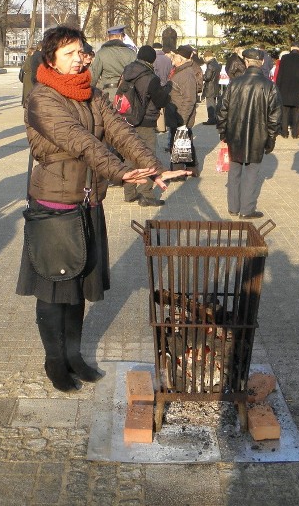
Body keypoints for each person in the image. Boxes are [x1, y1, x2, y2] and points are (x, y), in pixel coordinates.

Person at [16, 25, 187, 393]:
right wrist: (123, 173)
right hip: (55, 204)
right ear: (51, 59)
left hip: (87, 199)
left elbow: (120, 131)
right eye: (69, 53)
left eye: (81, 51)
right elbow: (82, 143)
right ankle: (54, 361)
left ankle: (74, 355)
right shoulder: (42, 98)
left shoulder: (89, 93)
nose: (79, 58)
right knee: (54, 286)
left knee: (77, 284)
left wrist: (151, 168)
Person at [217, 48, 281, 219]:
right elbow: (275, 117)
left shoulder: (235, 83)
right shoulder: (269, 86)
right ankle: (247, 209)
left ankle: (233, 207)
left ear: (246, 62)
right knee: (252, 173)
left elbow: (222, 111)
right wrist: (271, 138)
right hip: (258, 136)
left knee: (235, 171)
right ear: (261, 63)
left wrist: (223, 133)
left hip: (235, 134)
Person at [120, 46, 171, 207]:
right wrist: (167, 90)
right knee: (147, 157)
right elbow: (160, 101)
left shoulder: (127, 72)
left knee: (130, 155)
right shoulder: (150, 77)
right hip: (145, 121)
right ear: (152, 59)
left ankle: (129, 192)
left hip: (126, 119)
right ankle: (146, 194)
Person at [166, 44, 201, 174]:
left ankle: (178, 172)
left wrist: (183, 121)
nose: (172, 59)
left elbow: (189, 99)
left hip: (180, 116)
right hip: (177, 114)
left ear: (180, 59)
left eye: (174, 56)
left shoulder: (186, 74)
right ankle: (192, 168)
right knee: (186, 141)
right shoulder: (180, 71)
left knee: (178, 144)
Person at [90, 25, 135, 101]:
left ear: (108, 38)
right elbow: (135, 75)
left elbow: (94, 77)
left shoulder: (101, 53)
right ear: (120, 36)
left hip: (107, 96)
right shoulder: (131, 53)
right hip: (127, 95)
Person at [275, 43, 299, 139]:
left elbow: (280, 74)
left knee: (284, 111)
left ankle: (284, 132)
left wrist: (278, 87)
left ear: (291, 48)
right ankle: (295, 133)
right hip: (297, 89)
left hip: (285, 88)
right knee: (296, 111)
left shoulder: (285, 58)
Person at [201, 49, 221, 125]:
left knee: (210, 104)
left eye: (205, 58)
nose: (204, 59)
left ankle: (211, 119)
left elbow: (207, 77)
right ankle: (215, 118)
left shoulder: (210, 65)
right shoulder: (216, 63)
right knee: (214, 104)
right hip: (215, 86)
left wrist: (201, 76)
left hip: (210, 87)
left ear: (208, 57)